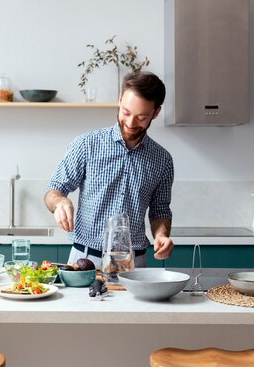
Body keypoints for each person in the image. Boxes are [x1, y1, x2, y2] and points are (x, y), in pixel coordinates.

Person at [44, 70, 174, 268]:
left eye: (141, 117)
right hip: (84, 262)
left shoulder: (162, 160)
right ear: (120, 99)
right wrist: (60, 202)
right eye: (126, 112)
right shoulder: (86, 145)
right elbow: (54, 190)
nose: (130, 123)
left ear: (155, 112)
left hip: (134, 264)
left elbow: (160, 210)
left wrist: (162, 235)